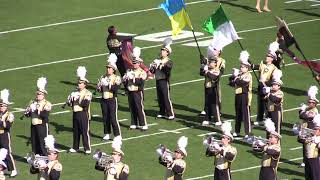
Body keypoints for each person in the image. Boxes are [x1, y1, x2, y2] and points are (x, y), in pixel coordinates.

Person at [251, 42, 279, 126]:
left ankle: (267, 119)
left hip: (266, 87)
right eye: (267, 56)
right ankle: (259, 119)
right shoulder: (262, 64)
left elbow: (274, 80)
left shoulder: (274, 68)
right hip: (260, 86)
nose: (266, 57)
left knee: (267, 104)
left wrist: (266, 83)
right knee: (260, 103)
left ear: (272, 58)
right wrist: (251, 65)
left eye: (268, 56)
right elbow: (257, 67)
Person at [67, 66, 92, 154]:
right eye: (78, 83)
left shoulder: (88, 93)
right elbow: (70, 105)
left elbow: (85, 105)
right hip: (75, 113)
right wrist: (70, 99)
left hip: (83, 113)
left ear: (85, 84)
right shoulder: (75, 92)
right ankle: (75, 147)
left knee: (84, 131)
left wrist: (77, 99)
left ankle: (87, 148)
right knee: (76, 131)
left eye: (81, 83)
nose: (79, 84)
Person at [24, 77, 52, 157]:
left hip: (42, 125)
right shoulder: (32, 102)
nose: (38, 95)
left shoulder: (47, 103)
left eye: (40, 94)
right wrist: (28, 111)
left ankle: (46, 157)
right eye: (37, 94)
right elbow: (27, 115)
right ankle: (36, 156)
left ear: (43, 95)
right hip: (33, 125)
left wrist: (36, 110)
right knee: (34, 142)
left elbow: (45, 115)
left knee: (42, 142)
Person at [97, 53, 122, 141]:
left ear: (113, 69)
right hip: (104, 99)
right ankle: (107, 133)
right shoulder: (102, 77)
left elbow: (115, 89)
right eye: (107, 68)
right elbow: (99, 90)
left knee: (113, 117)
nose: (108, 69)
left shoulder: (117, 78)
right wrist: (99, 86)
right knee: (105, 117)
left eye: (110, 68)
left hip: (112, 99)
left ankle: (117, 135)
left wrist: (108, 85)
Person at [149, 38, 175, 120]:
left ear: (167, 53)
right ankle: (162, 112)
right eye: (162, 50)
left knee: (166, 97)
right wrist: (152, 66)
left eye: (164, 51)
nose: (162, 52)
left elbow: (167, 70)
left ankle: (170, 113)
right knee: (160, 97)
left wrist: (160, 64)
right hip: (158, 80)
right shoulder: (158, 60)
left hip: (164, 81)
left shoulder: (169, 61)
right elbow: (152, 71)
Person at [230, 51, 253, 138]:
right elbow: (232, 83)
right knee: (238, 113)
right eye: (241, 67)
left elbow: (242, 83)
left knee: (246, 114)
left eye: (243, 67)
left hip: (245, 95)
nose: (241, 68)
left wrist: (235, 78)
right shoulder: (239, 75)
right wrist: (233, 76)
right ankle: (237, 130)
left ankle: (248, 132)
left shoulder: (248, 75)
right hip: (238, 95)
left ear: (247, 68)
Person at [123, 57, 148, 131]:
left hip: (137, 92)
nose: (134, 64)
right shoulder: (129, 70)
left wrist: (132, 79)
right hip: (130, 91)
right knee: (132, 107)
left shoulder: (142, 72)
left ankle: (143, 124)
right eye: (133, 63)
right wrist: (125, 79)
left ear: (139, 64)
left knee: (139, 108)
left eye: (136, 63)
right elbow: (124, 81)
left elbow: (140, 83)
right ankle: (134, 123)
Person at [200, 45, 225, 116]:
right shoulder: (208, 59)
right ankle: (206, 109)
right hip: (207, 79)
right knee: (207, 95)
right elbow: (202, 71)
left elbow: (222, 71)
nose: (214, 51)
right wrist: (202, 63)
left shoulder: (222, 60)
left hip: (215, 80)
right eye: (214, 49)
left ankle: (218, 110)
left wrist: (215, 76)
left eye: (216, 50)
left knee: (217, 96)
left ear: (219, 51)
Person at [298, 86, 318, 167]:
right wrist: (302, 111)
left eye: (310, 102)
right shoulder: (308, 109)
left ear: (314, 104)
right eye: (308, 102)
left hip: (310, 129)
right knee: (304, 144)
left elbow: (303, 116)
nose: (309, 103)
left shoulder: (314, 111)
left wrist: (302, 110)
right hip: (305, 128)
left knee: (308, 145)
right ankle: (305, 161)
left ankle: (308, 161)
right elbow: (301, 115)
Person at [201, 57, 222, 126]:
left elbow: (214, 77)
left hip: (213, 89)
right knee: (207, 104)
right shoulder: (208, 69)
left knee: (214, 104)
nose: (209, 63)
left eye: (211, 62)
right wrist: (203, 65)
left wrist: (207, 72)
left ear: (215, 63)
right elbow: (201, 73)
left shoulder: (217, 70)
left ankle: (218, 120)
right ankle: (207, 119)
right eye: (209, 62)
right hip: (207, 88)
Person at [0, 90, 17, 177]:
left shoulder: (10, 115)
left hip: (4, 135)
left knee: (7, 152)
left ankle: (13, 170)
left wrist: (0, 121)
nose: (1, 107)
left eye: (3, 106)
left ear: (6, 106)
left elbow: (8, 125)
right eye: (0, 106)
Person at [298, 114, 320, 180]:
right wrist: (301, 135)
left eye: (317, 129)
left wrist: (317, 141)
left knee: (315, 177)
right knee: (308, 176)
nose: (315, 130)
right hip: (307, 159)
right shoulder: (310, 136)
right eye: (315, 129)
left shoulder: (318, 138)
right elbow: (300, 140)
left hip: (314, 160)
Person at [264, 69, 283, 134]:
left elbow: (276, 100)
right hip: (269, 111)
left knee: (276, 130)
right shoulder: (270, 92)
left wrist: (268, 94)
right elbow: (264, 100)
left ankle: (277, 143)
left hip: (276, 112)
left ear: (279, 86)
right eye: (273, 85)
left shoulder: (280, 93)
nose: (273, 86)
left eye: (275, 85)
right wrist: (265, 93)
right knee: (268, 129)